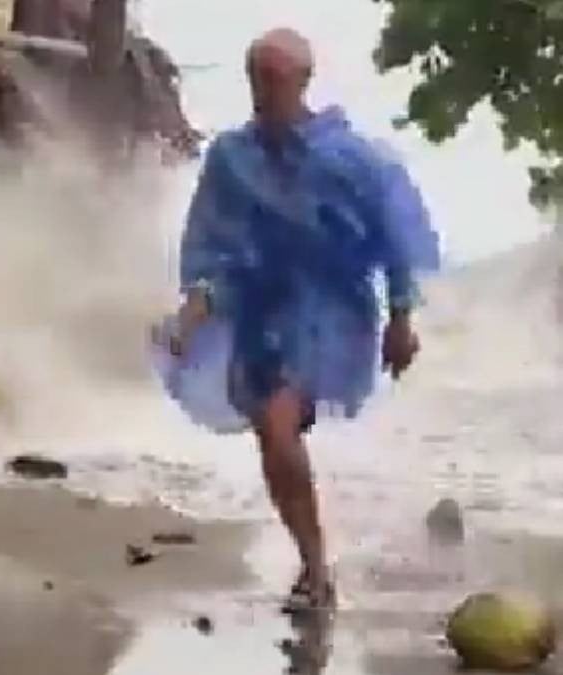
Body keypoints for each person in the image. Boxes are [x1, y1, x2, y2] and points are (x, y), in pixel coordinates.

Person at [167, 28, 439, 611]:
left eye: (274, 78)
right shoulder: (231, 158)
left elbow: (397, 240)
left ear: (302, 81)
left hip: (331, 315)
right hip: (259, 312)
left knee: (279, 423)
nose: (263, 91)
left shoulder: (353, 158)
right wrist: (194, 310)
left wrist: (401, 318)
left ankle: (315, 571)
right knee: (272, 434)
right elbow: (214, 246)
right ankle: (312, 559)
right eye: (255, 77)